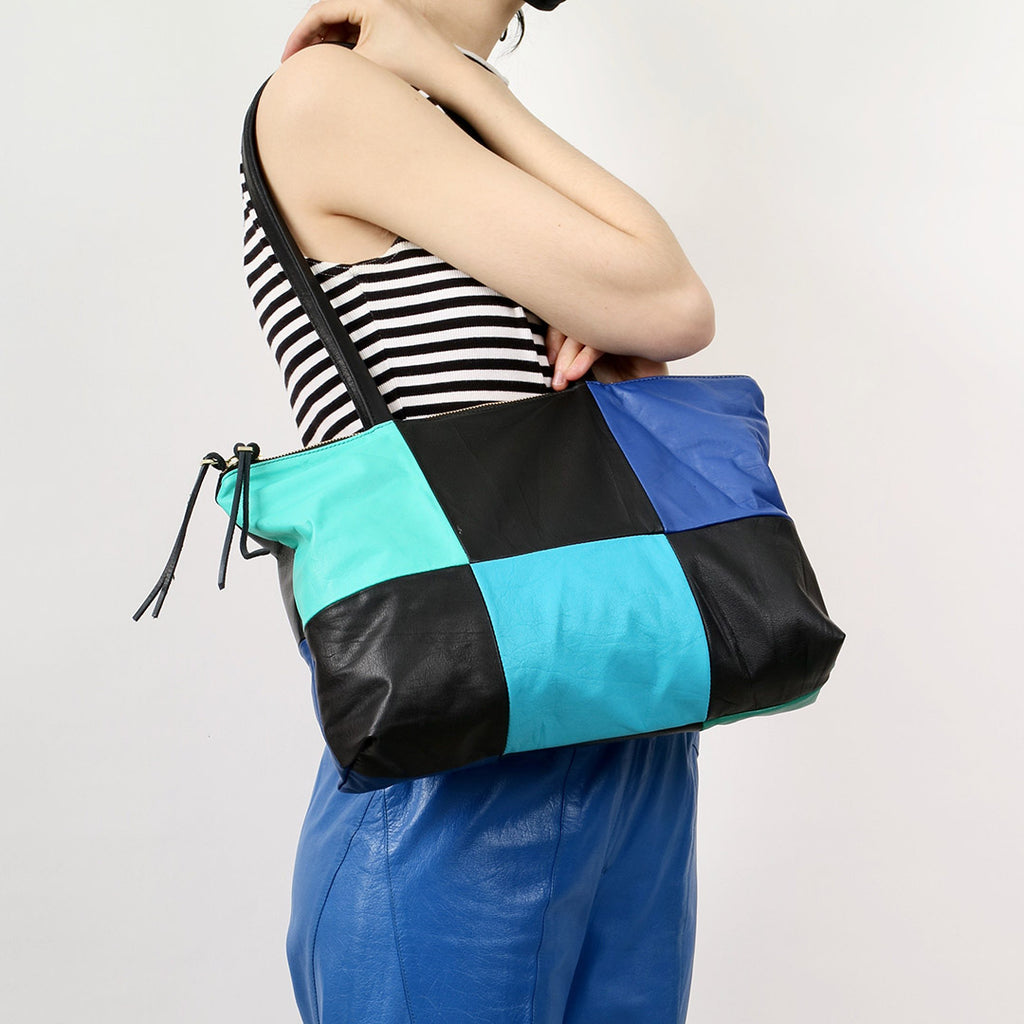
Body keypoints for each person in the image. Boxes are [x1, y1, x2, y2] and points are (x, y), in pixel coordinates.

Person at [241, 2, 716, 1021]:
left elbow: (650, 316)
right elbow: (672, 296)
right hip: (458, 767)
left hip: (629, 727)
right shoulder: (330, 93)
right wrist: (463, 83)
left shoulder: (452, 119)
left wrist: (462, 84)